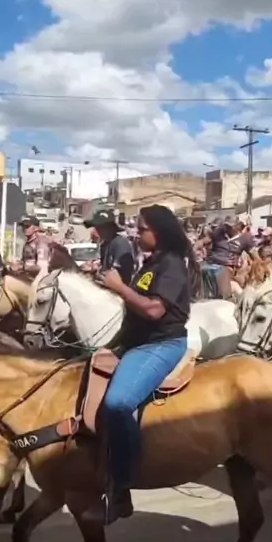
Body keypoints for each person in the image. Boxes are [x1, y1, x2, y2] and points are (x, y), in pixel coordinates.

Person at [84, 205, 192, 524]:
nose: (136, 232)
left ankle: (121, 487)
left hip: (161, 344)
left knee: (118, 403)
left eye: (141, 228)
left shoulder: (172, 264)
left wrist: (119, 287)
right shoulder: (151, 263)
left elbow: (155, 310)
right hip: (136, 341)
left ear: (159, 231)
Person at [83, 210, 135, 285]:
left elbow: (117, 276)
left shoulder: (120, 244)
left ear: (109, 227)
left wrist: (97, 272)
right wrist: (95, 268)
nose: (97, 230)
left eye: (100, 227)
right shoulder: (105, 244)